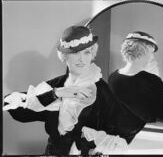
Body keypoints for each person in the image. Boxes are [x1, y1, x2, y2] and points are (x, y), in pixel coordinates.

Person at [3, 26, 146, 155]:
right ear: (64, 56)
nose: (81, 59)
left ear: (92, 54)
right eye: (75, 53)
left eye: (87, 52)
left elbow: (127, 126)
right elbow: (15, 107)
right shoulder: (56, 85)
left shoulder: (100, 88)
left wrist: (94, 139)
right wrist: (57, 93)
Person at [108, 31, 163, 124]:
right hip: (148, 133)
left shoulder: (113, 77)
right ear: (143, 52)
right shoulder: (150, 80)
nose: (152, 57)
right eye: (151, 53)